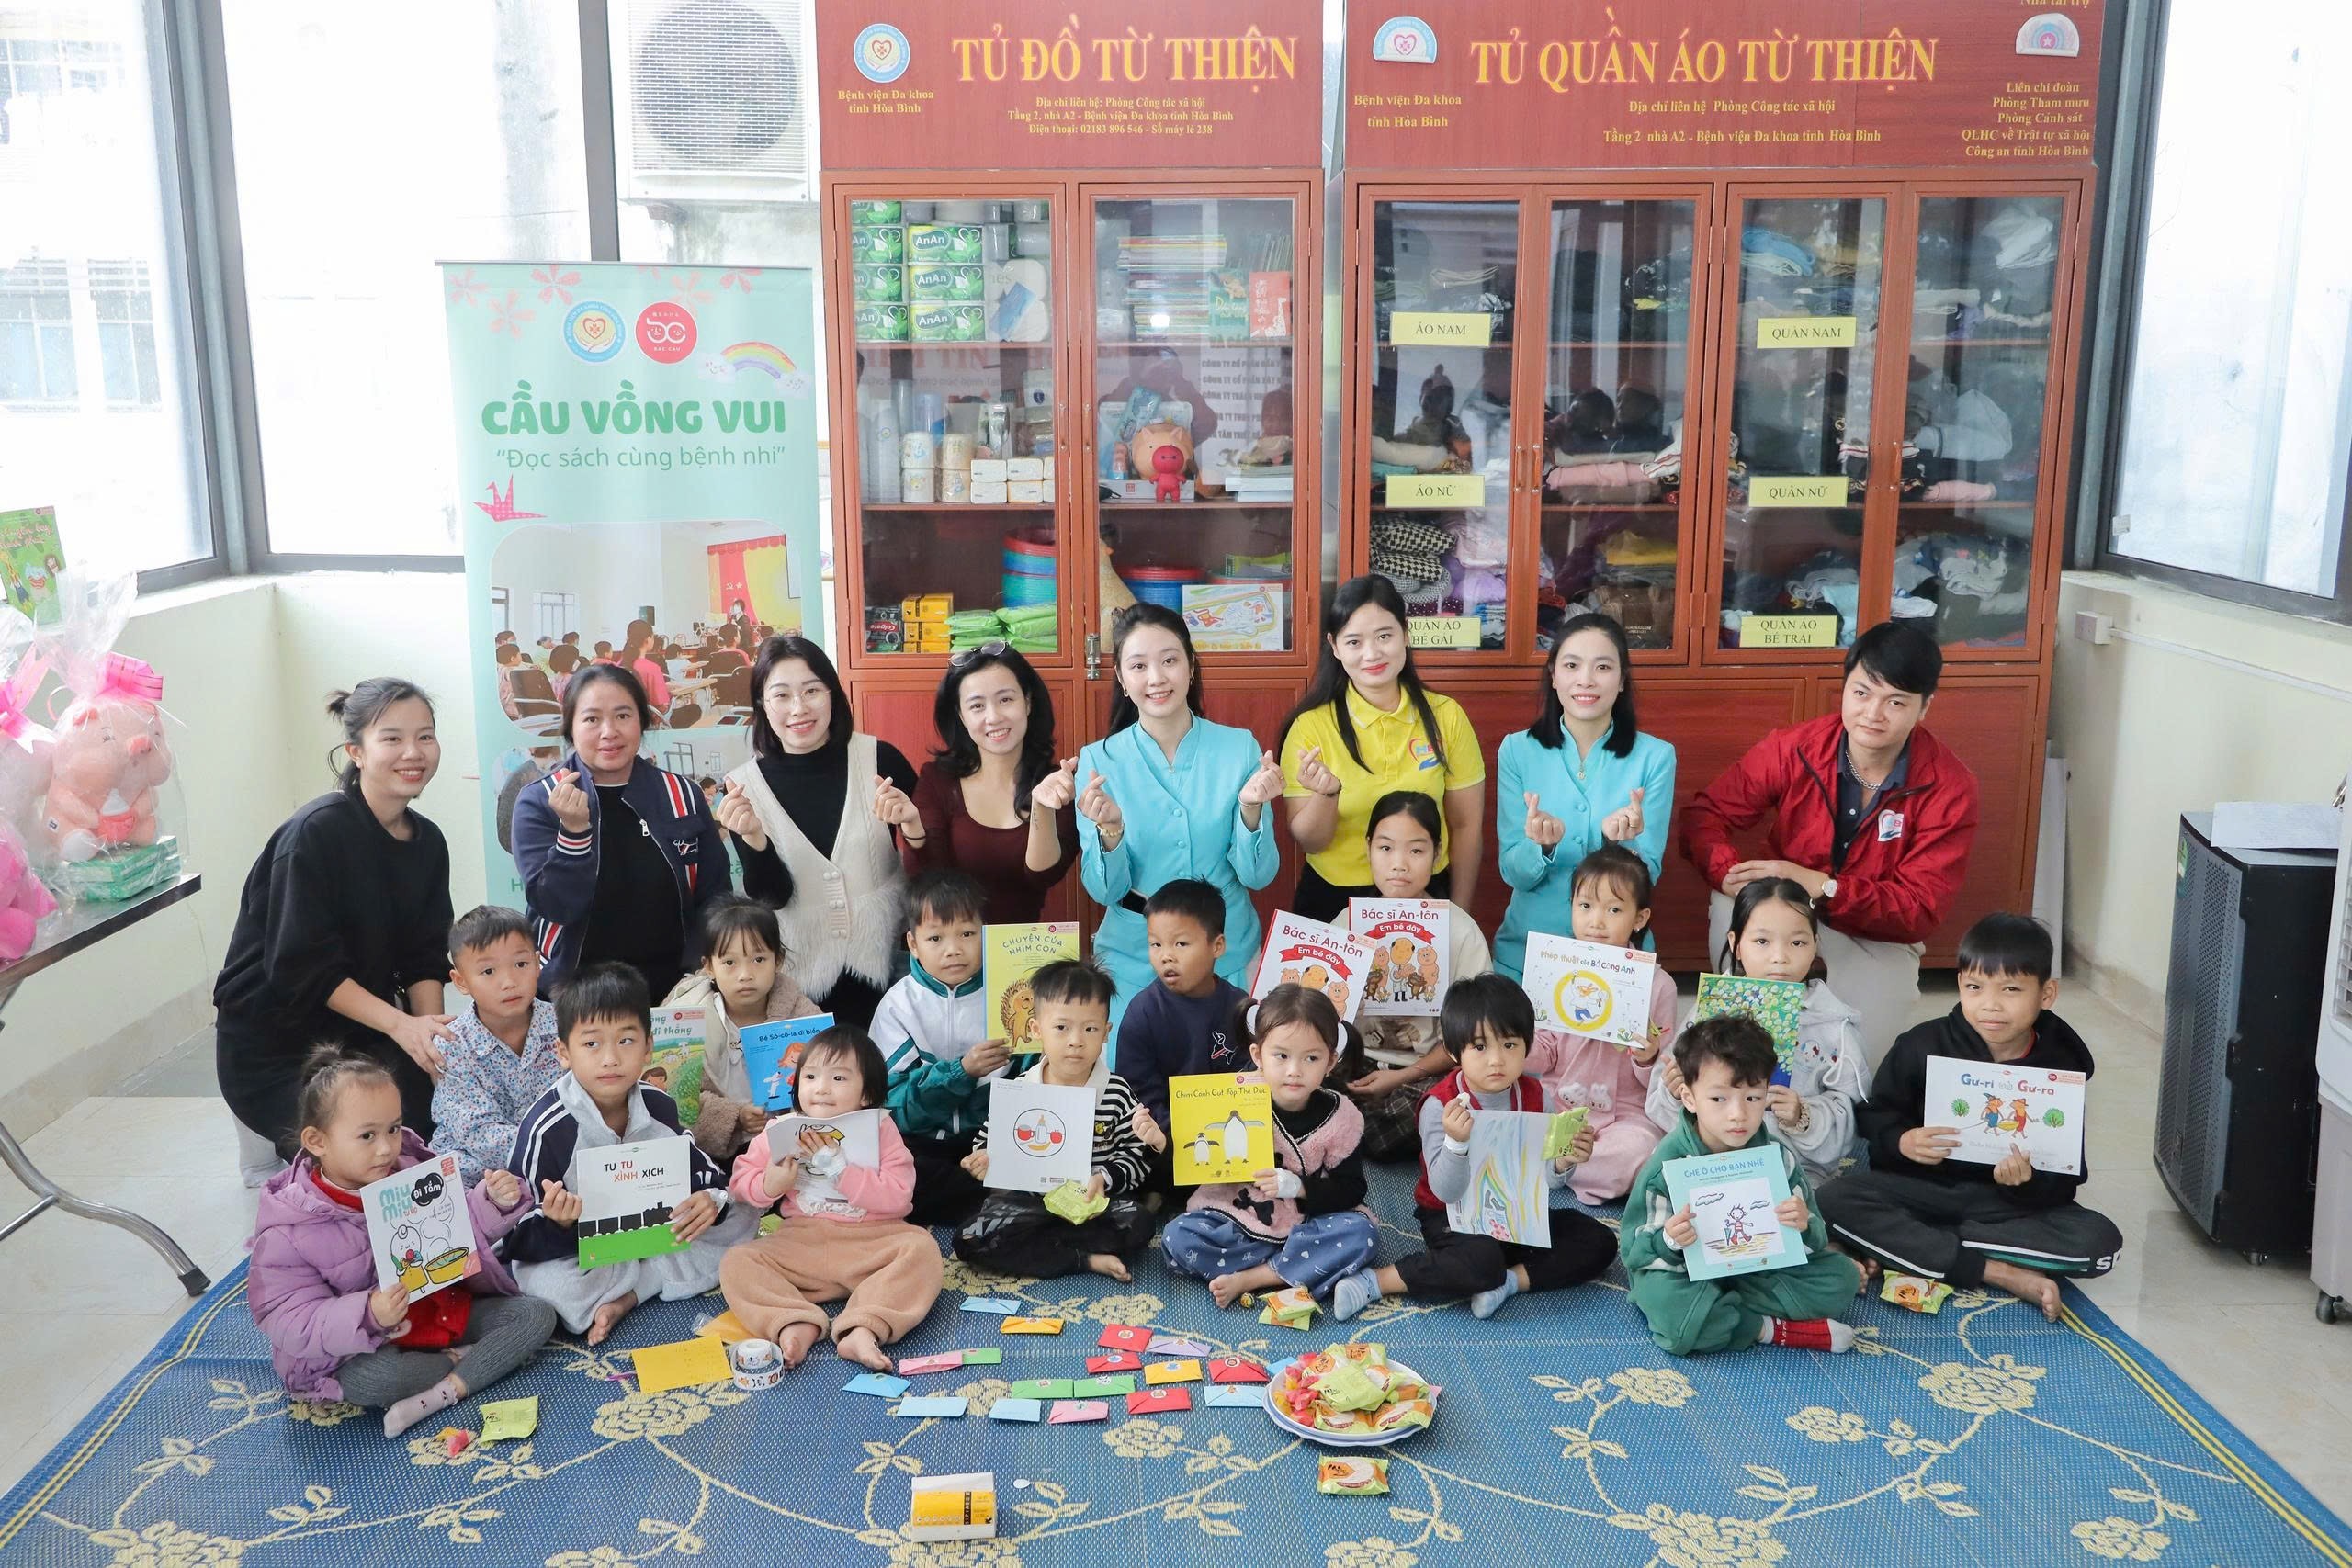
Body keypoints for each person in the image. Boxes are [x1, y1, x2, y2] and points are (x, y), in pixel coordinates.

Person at [1682, 620, 1981, 1057]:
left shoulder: (1950, 787)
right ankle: (1744, 1047)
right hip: (1785, 908)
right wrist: (1729, 873)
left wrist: (1826, 887)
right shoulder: (1795, 747)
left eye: (1896, 701)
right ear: (1844, 688)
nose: (1873, 713)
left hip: (1875, 930)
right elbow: (1706, 815)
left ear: (1924, 707)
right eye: (1861, 693)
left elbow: (1918, 909)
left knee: (1858, 1064)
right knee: (1733, 910)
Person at [1818, 913, 2122, 1321]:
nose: (1990, 1005)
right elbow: (1875, 1118)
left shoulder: (2061, 1068)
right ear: (1960, 983)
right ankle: (1999, 1271)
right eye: (1975, 987)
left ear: (2046, 993)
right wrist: (1902, 1141)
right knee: (1831, 1200)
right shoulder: (1921, 1045)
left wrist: (2025, 1183)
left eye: (2011, 989)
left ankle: (1910, 1245)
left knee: (2099, 1244)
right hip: (1922, 1190)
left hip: (2001, 1208)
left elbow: (2065, 1178)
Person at [248, 1047, 555, 1438]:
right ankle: (466, 1363)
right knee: (376, 1380)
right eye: (367, 1135)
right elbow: (289, 1319)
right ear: (317, 1141)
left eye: (393, 1129)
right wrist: (368, 1313)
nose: (386, 1148)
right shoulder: (289, 1227)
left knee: (535, 1316)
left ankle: (445, 1390)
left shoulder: (409, 1170)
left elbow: (455, 1230)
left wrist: (493, 1202)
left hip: (440, 1309)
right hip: (361, 1347)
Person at [216, 679, 457, 1153]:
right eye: (392, 738)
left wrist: (430, 1041)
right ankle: (278, 1160)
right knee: (360, 1145)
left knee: (434, 1125)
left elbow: (424, 956)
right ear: (356, 751)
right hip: (278, 1047)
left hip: (361, 1034)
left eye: (425, 736)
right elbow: (303, 969)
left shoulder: (428, 842)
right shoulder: (315, 833)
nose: (413, 752)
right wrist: (400, 1026)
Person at [1329, 976, 1614, 1322]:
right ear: (1454, 1052)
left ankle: (1507, 1282)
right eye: (1480, 1047)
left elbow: (1547, 1182)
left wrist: (1563, 1162)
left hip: (1517, 1215)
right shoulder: (1441, 1104)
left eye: (1509, 1045)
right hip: (1452, 1216)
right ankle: (1377, 1281)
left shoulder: (1538, 1097)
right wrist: (1456, 1143)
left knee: (1598, 1239)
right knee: (1479, 1260)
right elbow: (1445, 1191)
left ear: (1527, 1045)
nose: (1496, 1060)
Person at [505, 964, 746, 1345]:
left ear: (648, 1048)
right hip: (583, 1254)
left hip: (655, 1233)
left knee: (742, 1214)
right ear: (563, 1052)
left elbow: (707, 1174)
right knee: (549, 1285)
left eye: (626, 1041)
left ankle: (632, 1291)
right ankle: (647, 1280)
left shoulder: (659, 1106)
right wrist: (557, 1223)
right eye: (591, 1044)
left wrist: (710, 1200)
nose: (610, 1059)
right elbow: (514, 1232)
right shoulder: (547, 1127)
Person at [1074, 604, 1285, 1028]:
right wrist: (1111, 832)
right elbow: (1104, 890)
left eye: (1169, 660)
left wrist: (1251, 809)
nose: (1156, 678)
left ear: (1191, 666)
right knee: (1131, 1068)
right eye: (1139, 666)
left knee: (1230, 1067)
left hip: (1224, 951)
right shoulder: (1098, 761)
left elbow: (1259, 876)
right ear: (1121, 678)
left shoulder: (1239, 748)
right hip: (1134, 958)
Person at [1622, 1015, 1866, 1355]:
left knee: (1841, 1277)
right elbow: (1634, 1253)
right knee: (1675, 1315)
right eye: (1718, 1099)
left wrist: (1804, 1225)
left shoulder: (1777, 1159)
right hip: (1685, 1272)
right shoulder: (1666, 1167)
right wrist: (1669, 1239)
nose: (1737, 1114)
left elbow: (1815, 1237)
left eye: (1752, 1098)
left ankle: (1722, 1311)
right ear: (1689, 1098)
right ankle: (1766, 1329)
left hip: (1755, 1271)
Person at [714, 635, 917, 1030]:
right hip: (801, 989)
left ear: (832, 695)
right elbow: (772, 897)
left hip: (890, 973)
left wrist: (916, 829)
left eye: (811, 691)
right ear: (762, 705)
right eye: (781, 695)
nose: (799, 708)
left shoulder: (880, 759)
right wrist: (754, 839)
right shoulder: (743, 787)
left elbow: (931, 861)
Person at [721, 1024, 946, 1371]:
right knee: (737, 1261)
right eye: (810, 1077)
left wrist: (841, 1171)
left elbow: (899, 1198)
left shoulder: (881, 1129)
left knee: (922, 1250)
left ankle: (863, 1327)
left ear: (867, 1094)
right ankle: (794, 1320)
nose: (821, 1088)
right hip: (802, 1244)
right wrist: (770, 1184)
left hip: (872, 1244)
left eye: (839, 1078)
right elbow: (739, 1184)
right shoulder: (779, 1129)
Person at [510, 663, 730, 1003]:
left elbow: (715, 896)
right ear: (570, 726)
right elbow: (556, 907)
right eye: (592, 719)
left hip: (677, 993)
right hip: (575, 996)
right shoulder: (540, 800)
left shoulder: (682, 795)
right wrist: (573, 834)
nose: (609, 731)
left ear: (643, 721)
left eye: (623, 716)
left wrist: (701, 974)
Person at [1279, 575, 1487, 924]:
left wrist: (1459, 918)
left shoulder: (1446, 716)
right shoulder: (1310, 727)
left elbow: (1466, 826)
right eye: (1354, 641)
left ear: (1405, 633)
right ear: (1334, 646)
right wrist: (1326, 796)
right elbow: (1311, 843)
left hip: (1424, 895)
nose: (1371, 654)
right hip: (1335, 899)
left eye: (1384, 636)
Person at [1160, 985, 1380, 1308]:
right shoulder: (1231, 1096)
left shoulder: (1342, 1116)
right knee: (1177, 1236)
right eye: (1281, 1056)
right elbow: (1195, 1163)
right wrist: (1162, 1143)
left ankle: (1254, 1277)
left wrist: (1299, 1187)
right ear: (1257, 1055)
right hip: (1240, 1218)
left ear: (1330, 1061)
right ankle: (1297, 1268)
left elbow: (1352, 1189)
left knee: (1362, 1234)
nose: (1294, 1071)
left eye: (1312, 1058)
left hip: (1308, 1226)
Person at [1645, 877, 1867, 1188]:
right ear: (1736, 944)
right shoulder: (1713, 1009)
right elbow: (1666, 1106)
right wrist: (1674, 1091)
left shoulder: (1832, 1023)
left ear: (1815, 945)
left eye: (1797, 943)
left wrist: (1803, 1116)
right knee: (1657, 1177)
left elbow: (1851, 1116)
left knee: (1804, 1205)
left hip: (1793, 1166)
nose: (1780, 957)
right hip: (1709, 1159)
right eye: (1762, 941)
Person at [1495, 612, 1676, 980]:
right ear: (1553, 675)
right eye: (1572, 665)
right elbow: (1513, 873)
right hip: (1528, 953)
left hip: (1616, 958)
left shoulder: (1656, 757)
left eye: (1603, 667)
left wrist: (1618, 845)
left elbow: (1649, 877)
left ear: (1622, 679)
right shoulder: (1516, 751)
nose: (1586, 680)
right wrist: (1541, 847)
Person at [956, 960, 1158, 1282]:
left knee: (1139, 1222)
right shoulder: (1020, 1090)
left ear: (1106, 1033)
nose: (1076, 1040)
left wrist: (1103, 1178)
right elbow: (986, 1143)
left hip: (1093, 1208)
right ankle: (1082, 1258)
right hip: (1029, 1207)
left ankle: (1047, 1248)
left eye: (1090, 1029)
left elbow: (1135, 1156)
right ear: (1037, 1030)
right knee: (969, 1237)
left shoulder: (1117, 1091)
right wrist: (981, 1160)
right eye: (1062, 1028)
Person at [1340, 792, 1491, 1163]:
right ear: (1368, 848)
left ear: (1437, 854)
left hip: (1424, 1072)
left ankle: (1346, 1135)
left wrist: (1400, 1077)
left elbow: (1471, 1035)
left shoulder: (1460, 931)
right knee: (1293, 1082)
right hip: (1356, 1066)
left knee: (1459, 1098)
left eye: (1417, 851)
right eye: (1386, 848)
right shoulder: (1347, 924)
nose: (1399, 864)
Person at [1526, 846, 1674, 1203]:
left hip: (1625, 1116)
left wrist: (1647, 1057)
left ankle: (1554, 1167)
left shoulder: (1659, 985)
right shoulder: (1554, 970)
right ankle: (1560, 1163)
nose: (1596, 921)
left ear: (1640, 918)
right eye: (1585, 906)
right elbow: (1542, 1055)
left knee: (1640, 1149)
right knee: (1505, 1117)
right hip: (1559, 1107)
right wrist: (1515, 1040)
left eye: (1614, 910)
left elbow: (1662, 1081)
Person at [904, 644, 1080, 925]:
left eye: (1005, 699)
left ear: (1028, 702)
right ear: (961, 716)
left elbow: (1043, 876)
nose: (994, 717)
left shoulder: (1058, 783)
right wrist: (911, 827)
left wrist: (1042, 808)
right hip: (955, 947)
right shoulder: (938, 780)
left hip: (1024, 946)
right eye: (977, 706)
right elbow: (925, 878)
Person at [873, 870, 1001, 1226]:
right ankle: (986, 1208)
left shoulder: (1011, 995)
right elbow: (892, 1106)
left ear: (985, 933)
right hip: (925, 1141)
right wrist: (962, 1072)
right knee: (893, 1172)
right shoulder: (898, 1006)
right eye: (935, 938)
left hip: (993, 1140)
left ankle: (987, 1204)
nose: (954, 949)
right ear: (912, 944)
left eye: (967, 934)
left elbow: (1038, 1083)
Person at [661, 895, 820, 1164]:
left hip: (790, 1150)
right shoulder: (681, 1019)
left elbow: (826, 1085)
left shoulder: (802, 1016)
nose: (745, 974)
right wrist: (735, 1117)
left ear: (778, 960)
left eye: (759, 959)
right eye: (730, 963)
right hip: (705, 1156)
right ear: (709, 966)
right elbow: (673, 1100)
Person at [431, 905, 563, 1183]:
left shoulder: (566, 1026)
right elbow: (477, 1132)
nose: (509, 982)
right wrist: (555, 1147)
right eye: (489, 971)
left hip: (558, 1168)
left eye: (521, 964)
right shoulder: (451, 1044)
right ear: (461, 981)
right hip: (477, 1175)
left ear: (537, 964)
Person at [1112, 878, 1251, 1129]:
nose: (1166, 956)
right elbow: (1138, 1094)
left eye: (1181, 944)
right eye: (1156, 944)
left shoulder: (1241, 1007)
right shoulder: (1142, 1013)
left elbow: (1255, 1079)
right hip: (1164, 1142)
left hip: (1235, 1132)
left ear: (1217, 946)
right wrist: (1177, 1138)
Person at [622, 619, 672, 715]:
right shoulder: (652, 669)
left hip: (623, 718)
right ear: (648, 639)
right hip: (648, 720)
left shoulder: (618, 666)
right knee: (694, 709)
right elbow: (662, 707)